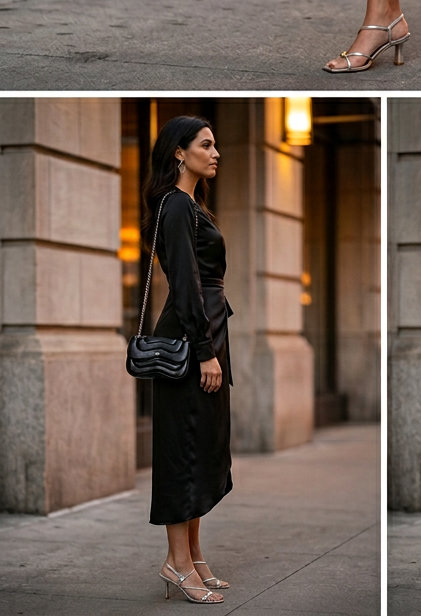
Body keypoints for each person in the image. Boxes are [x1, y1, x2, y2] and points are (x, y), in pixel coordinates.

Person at [141, 116, 233, 604]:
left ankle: (194, 556)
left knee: (201, 452)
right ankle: (177, 565)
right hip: (191, 343)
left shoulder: (190, 205)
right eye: (206, 144)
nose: (216, 152)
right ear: (180, 152)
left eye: (216, 144)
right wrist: (205, 353)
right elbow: (185, 283)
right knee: (183, 455)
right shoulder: (176, 206)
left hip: (207, 335)